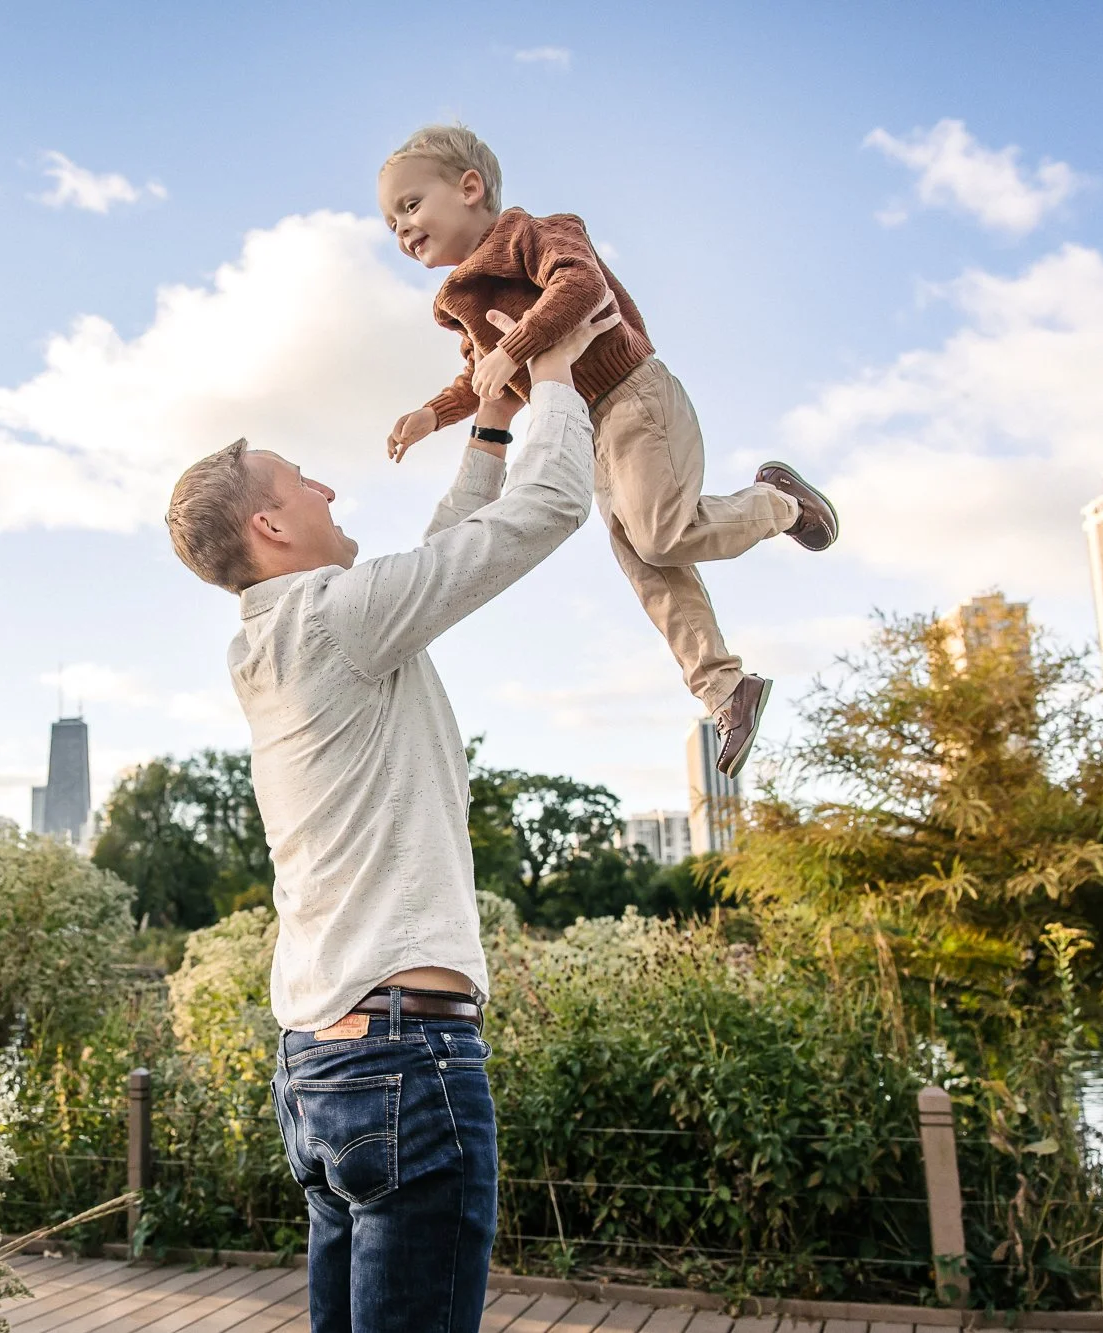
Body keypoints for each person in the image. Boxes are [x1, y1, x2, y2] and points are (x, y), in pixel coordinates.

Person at [163, 299, 616, 1333]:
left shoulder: (273, 639)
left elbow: (436, 569)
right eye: (302, 481)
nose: (327, 486)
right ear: (271, 526)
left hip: (323, 1065)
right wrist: (555, 373)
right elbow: (548, 507)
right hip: (404, 1059)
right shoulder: (336, 620)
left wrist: (489, 424)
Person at [379, 124, 841, 777]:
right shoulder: (464, 300)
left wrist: (517, 347)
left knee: (661, 534)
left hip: (633, 396)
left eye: (410, 205)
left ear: (470, 188)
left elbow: (581, 286)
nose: (401, 228)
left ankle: (780, 503)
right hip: (587, 430)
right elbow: (481, 376)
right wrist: (434, 413)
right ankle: (724, 689)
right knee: (649, 567)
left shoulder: (534, 234)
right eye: (390, 223)